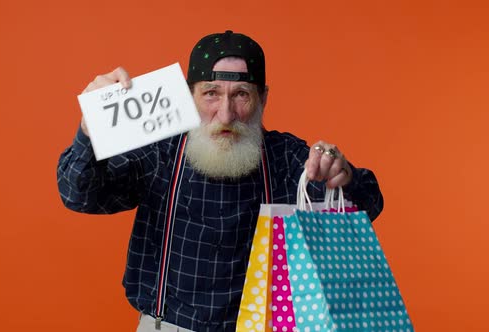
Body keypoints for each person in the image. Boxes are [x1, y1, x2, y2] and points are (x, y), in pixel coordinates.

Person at [57, 30, 383, 332]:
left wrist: (342, 174)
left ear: (263, 98)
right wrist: (90, 129)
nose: (226, 115)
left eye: (241, 95)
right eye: (211, 93)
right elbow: (78, 194)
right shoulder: (160, 151)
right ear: (189, 95)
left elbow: (369, 202)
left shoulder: (285, 157)